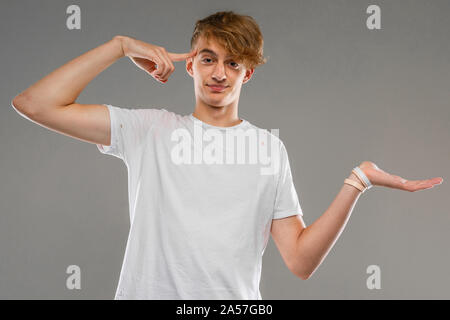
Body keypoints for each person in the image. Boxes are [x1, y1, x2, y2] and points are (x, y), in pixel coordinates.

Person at [11, 11, 443, 300]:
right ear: (191, 65)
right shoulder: (149, 130)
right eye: (209, 58)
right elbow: (35, 104)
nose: (220, 72)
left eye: (233, 63)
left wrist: (358, 181)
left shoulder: (267, 149)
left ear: (248, 72)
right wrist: (121, 45)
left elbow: (300, 261)